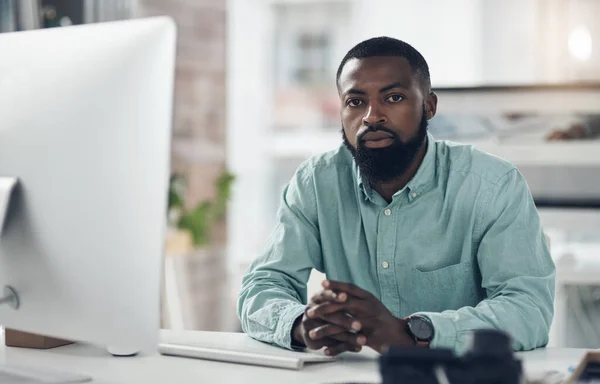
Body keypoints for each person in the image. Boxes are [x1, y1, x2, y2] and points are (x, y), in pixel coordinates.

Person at [237, 37, 555, 356]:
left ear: (429, 106)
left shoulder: (492, 185)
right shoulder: (316, 183)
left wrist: (413, 332)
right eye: (355, 102)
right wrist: (302, 325)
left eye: (394, 97)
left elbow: (528, 309)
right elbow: (262, 286)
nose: (372, 116)